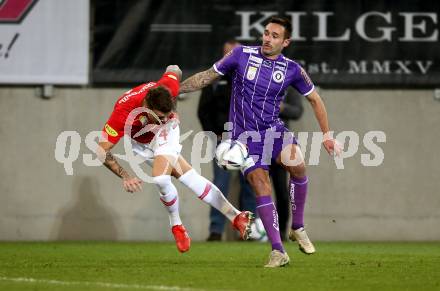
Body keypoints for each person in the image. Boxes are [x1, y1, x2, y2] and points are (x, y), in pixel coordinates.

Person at [180, 17, 341, 267]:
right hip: (244, 139)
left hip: (273, 131)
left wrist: (327, 135)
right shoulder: (240, 54)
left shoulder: (292, 69)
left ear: (285, 42)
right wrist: (176, 89)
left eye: (275, 36)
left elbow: (315, 100)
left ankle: (297, 226)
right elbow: (207, 76)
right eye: (266, 33)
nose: (267, 38)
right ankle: (278, 250)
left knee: (298, 166)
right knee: (261, 185)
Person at [96, 65, 253, 253]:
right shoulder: (122, 114)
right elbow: (101, 151)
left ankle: (176, 225)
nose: (164, 118)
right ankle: (236, 216)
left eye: (167, 114)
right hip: (142, 144)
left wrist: (170, 113)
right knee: (189, 177)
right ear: (146, 106)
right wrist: (125, 175)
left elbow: (174, 69)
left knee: (161, 178)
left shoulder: (167, 90)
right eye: (160, 116)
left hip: (165, 134)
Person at [197, 40, 256, 241]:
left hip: (247, 139)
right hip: (223, 140)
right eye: (226, 53)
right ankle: (216, 230)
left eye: (233, 53)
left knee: (250, 183)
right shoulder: (215, 78)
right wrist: (216, 133)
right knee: (219, 185)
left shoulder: (251, 78)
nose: (230, 57)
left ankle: (249, 231)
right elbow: (203, 110)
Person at [272, 87, 303, 241]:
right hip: (256, 141)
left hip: (279, 144)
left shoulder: (289, 87)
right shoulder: (257, 81)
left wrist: (282, 107)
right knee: (253, 189)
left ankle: (282, 231)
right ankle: (251, 230)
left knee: (281, 192)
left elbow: (297, 111)